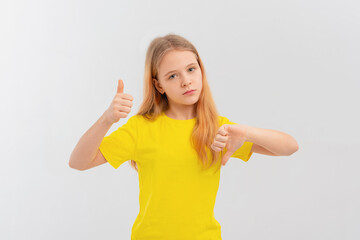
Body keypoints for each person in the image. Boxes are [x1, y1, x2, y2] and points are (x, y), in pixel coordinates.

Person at [69, 33, 299, 239]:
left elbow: (290, 147)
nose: (186, 81)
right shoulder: (141, 128)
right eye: (172, 76)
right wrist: (106, 119)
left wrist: (247, 132)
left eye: (191, 69)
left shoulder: (218, 129)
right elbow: (78, 162)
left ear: (201, 71)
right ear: (159, 85)